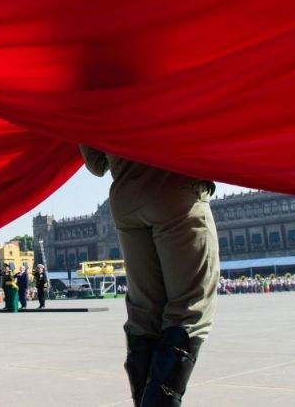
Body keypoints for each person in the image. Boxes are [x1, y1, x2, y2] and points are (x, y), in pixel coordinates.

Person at [80, 145, 219, 407]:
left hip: (125, 201)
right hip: (175, 189)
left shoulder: (90, 101)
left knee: (144, 315)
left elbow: (96, 165)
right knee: (189, 310)